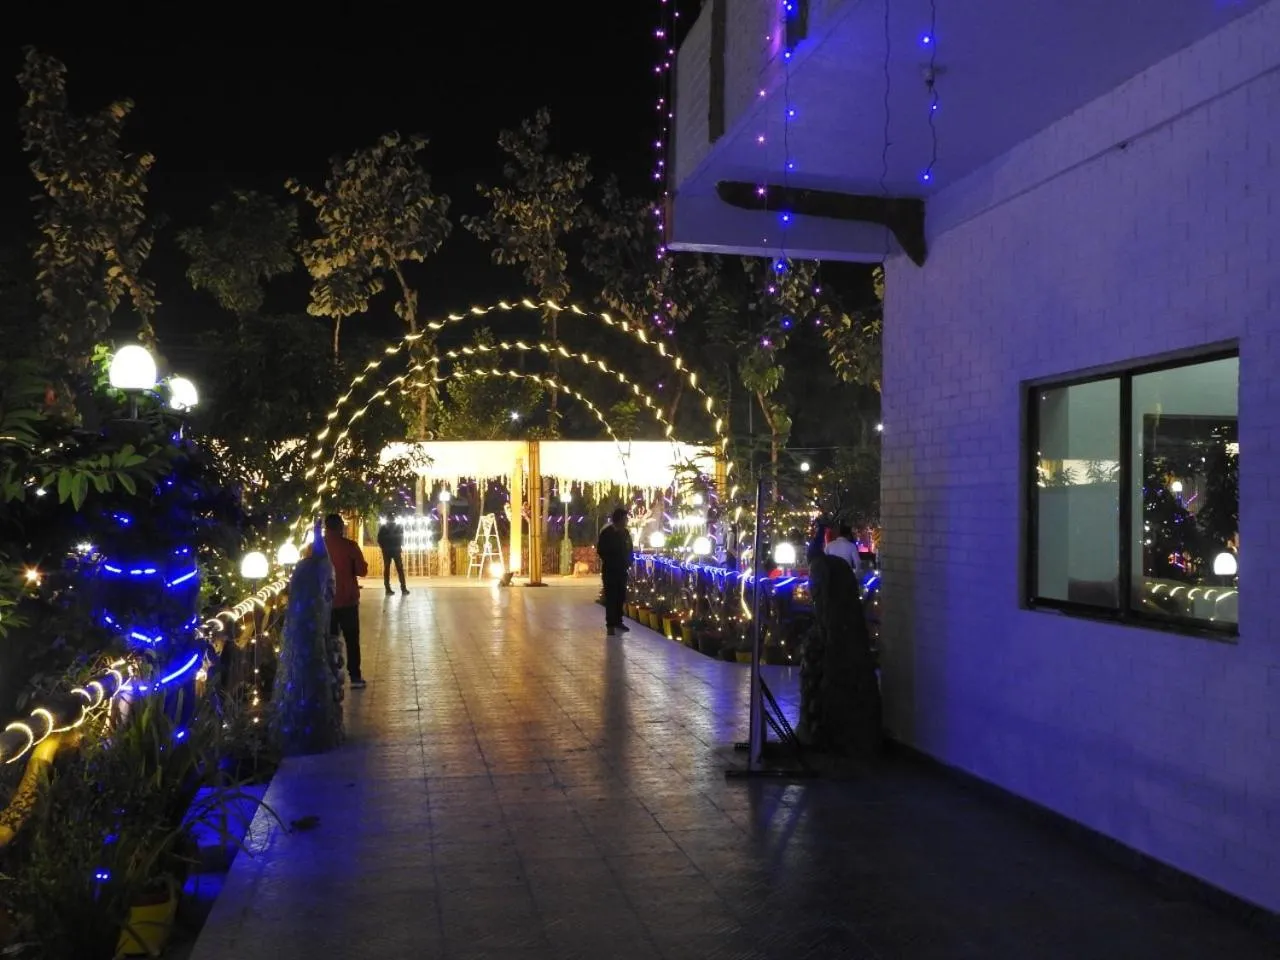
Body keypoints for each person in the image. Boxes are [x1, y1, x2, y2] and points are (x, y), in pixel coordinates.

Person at [322, 513, 369, 688]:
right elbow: (362, 571)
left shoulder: (317, 548)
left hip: (326, 601)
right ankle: (355, 676)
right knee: (351, 639)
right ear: (341, 527)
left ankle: (330, 676)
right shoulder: (350, 546)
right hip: (347, 599)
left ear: (326, 528)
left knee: (328, 639)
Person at [596, 507, 633, 637]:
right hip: (610, 570)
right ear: (619, 519)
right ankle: (610, 624)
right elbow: (601, 550)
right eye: (625, 518)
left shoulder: (625, 533)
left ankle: (618, 621)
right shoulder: (607, 533)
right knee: (611, 597)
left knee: (620, 596)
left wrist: (629, 561)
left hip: (622, 570)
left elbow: (630, 548)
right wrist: (611, 560)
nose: (627, 521)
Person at [377, 518, 409, 596]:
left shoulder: (383, 527)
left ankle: (388, 589)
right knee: (399, 569)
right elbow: (401, 538)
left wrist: (383, 547)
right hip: (395, 551)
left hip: (387, 551)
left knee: (387, 569)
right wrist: (399, 546)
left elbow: (379, 539)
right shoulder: (398, 527)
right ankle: (403, 588)